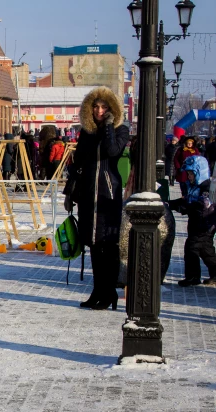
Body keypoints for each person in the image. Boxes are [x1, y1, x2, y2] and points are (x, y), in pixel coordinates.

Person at [63, 86, 130, 311]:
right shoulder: (86, 132)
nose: (99, 111)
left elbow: (112, 151)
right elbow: (78, 164)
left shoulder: (121, 130)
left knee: (107, 245)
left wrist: (109, 126)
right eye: (96, 107)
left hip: (107, 194)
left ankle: (108, 291)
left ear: (111, 109)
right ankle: (97, 290)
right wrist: (69, 194)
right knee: (92, 244)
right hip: (88, 193)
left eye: (104, 107)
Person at [168, 155, 216, 287]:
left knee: (192, 249)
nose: (189, 177)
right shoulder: (195, 186)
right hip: (198, 225)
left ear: (199, 172)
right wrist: (171, 204)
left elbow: (199, 206)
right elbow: (187, 201)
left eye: (191, 174)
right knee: (206, 251)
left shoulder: (205, 188)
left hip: (203, 225)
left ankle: (193, 277)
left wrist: (183, 207)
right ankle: (212, 274)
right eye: (188, 174)